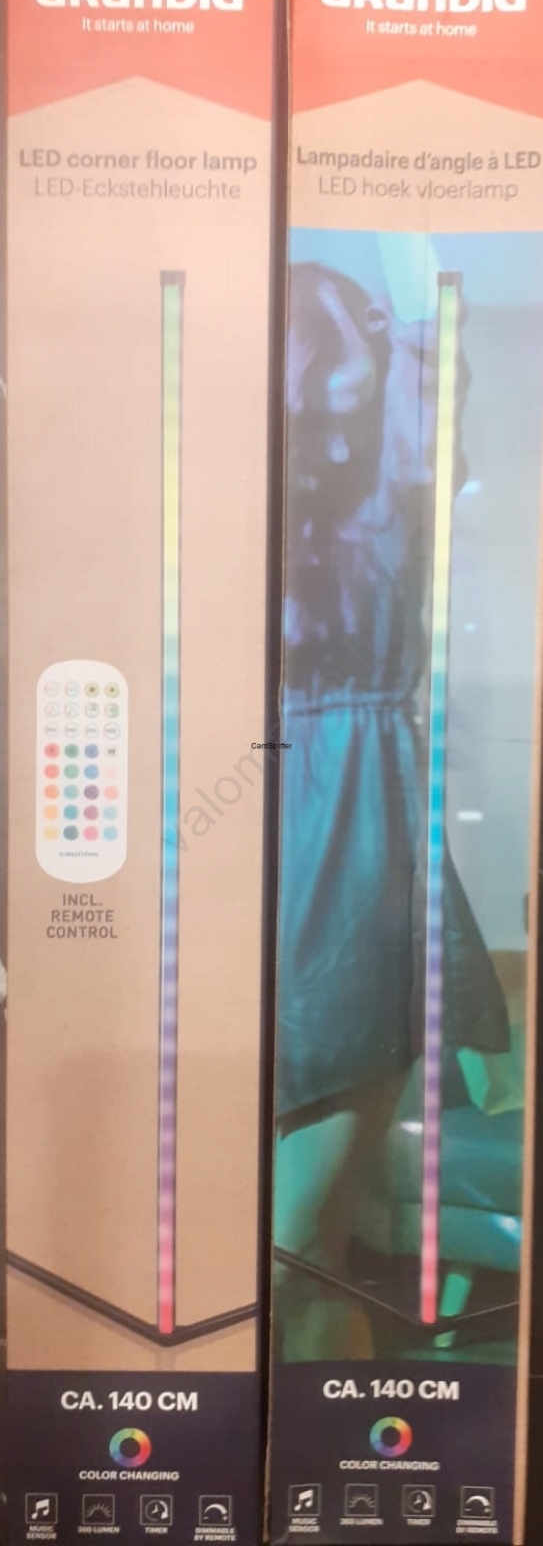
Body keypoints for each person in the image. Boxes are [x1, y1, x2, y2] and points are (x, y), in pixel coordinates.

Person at [273, 248, 510, 1361]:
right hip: (253, 833)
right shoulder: (250, 505)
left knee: (293, 1244)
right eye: (314, 407)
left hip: (357, 833)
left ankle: (339, 1445)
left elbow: (429, 321)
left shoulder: (397, 479)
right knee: (284, 1238)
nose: (336, 435)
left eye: (353, 399)